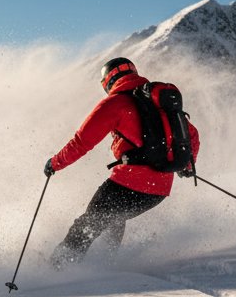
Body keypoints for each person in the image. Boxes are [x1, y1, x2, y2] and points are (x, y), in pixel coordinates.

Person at [44, 57, 200, 269]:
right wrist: (187, 166)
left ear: (108, 81)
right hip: (159, 190)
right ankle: (106, 264)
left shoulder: (115, 103)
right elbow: (192, 134)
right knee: (115, 217)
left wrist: (55, 163)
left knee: (88, 224)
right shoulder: (159, 103)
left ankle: (56, 268)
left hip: (129, 183)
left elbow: (81, 143)